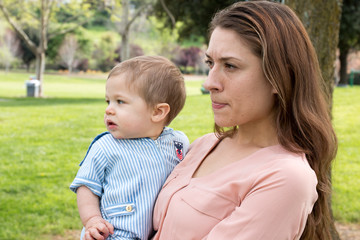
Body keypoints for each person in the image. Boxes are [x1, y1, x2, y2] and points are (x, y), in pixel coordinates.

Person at [152, 1, 337, 240]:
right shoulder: (204, 145)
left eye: (230, 66)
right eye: (210, 63)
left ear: (278, 76)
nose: (209, 83)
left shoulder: (286, 178)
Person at [70, 55, 189, 240]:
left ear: (157, 112)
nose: (109, 109)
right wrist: (93, 220)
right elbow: (86, 186)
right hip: (113, 233)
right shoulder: (106, 146)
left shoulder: (177, 143)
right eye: (108, 101)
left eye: (120, 102)